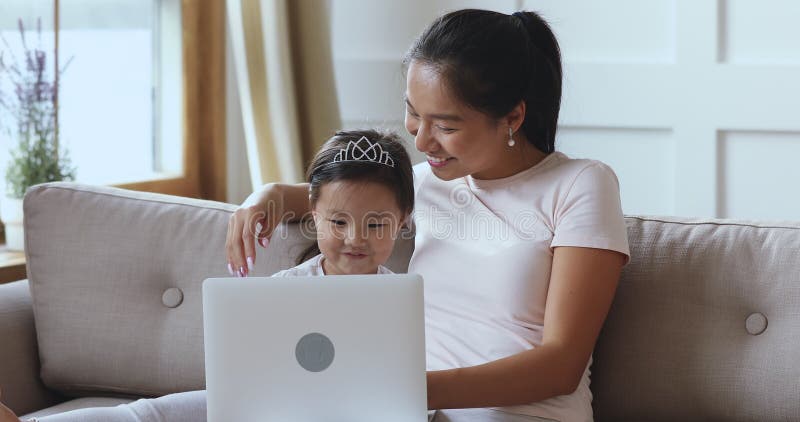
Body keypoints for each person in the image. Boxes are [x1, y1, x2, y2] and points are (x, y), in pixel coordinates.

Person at [1, 8, 629, 422]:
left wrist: (405, 388)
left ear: (513, 116)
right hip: (398, 404)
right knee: (177, 412)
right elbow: (333, 196)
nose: (422, 138)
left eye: (447, 124)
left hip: (496, 413)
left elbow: (562, 361)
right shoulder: (435, 184)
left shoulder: (579, 186)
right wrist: (266, 196)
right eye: (413, 113)